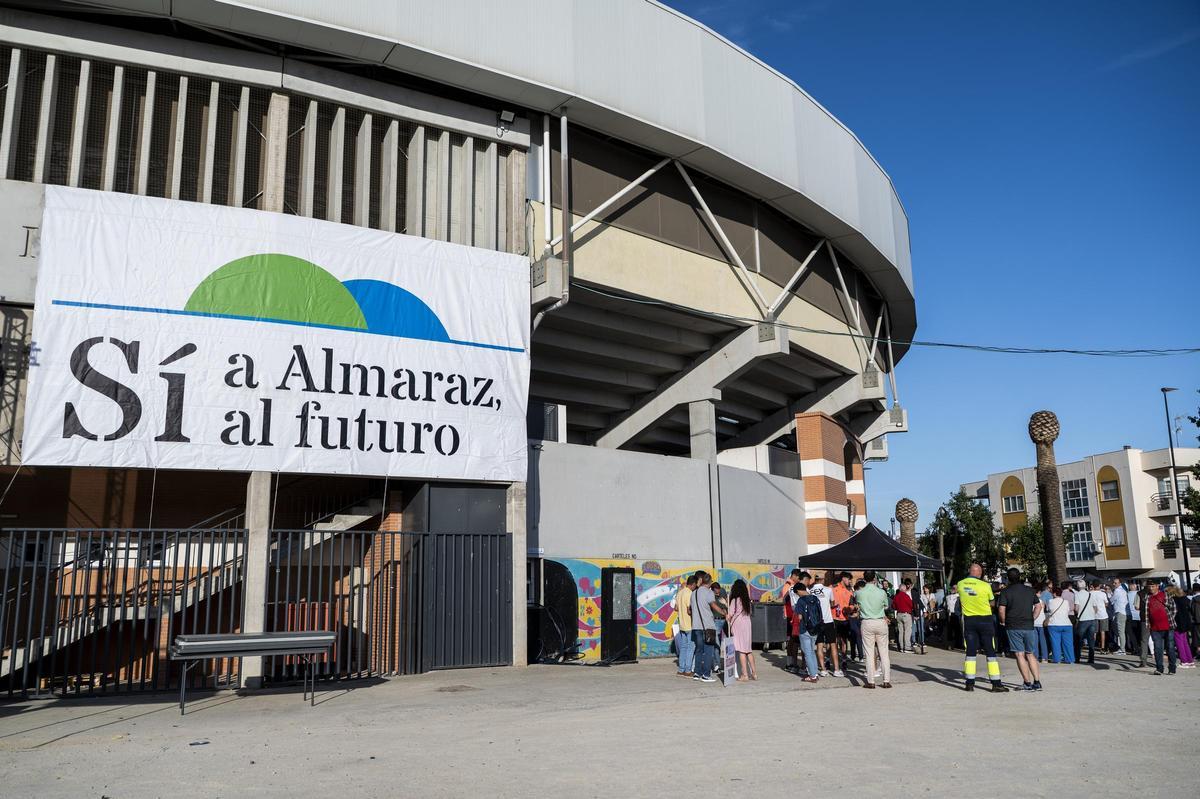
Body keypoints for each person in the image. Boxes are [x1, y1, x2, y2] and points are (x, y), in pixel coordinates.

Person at [957, 563, 1008, 692]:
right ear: (979, 573)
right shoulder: (985, 585)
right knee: (990, 651)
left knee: (970, 652)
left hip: (969, 620)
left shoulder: (961, 584)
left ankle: (969, 683)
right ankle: (996, 683)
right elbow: (992, 602)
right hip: (985, 620)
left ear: (970, 571)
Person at [997, 568, 1043, 691]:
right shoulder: (1030, 590)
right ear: (1020, 577)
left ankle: (1027, 683)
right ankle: (1037, 682)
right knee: (1030, 653)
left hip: (1013, 625)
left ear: (1008, 578)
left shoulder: (1005, 592)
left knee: (1019, 654)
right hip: (1028, 625)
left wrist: (1003, 621)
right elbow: (1038, 606)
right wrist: (1032, 617)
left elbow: (1001, 609)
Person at [854, 570, 892, 689]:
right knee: (884, 653)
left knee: (869, 653)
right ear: (874, 578)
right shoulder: (881, 592)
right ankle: (886, 680)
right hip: (880, 621)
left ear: (864, 579)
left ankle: (871, 681)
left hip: (867, 622)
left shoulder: (859, 593)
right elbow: (886, 606)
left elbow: (857, 606)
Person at [689, 572, 723, 683]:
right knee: (709, 650)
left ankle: (697, 673)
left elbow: (689, 610)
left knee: (699, 650)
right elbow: (713, 605)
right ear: (710, 582)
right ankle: (706, 675)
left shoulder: (693, 593)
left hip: (696, 626)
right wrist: (724, 612)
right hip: (708, 626)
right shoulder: (709, 593)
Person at [808, 572, 843, 677]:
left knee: (819, 646)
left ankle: (823, 669)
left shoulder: (810, 591)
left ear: (815, 579)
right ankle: (836, 669)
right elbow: (832, 603)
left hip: (816, 622)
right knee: (833, 645)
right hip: (828, 620)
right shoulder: (828, 590)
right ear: (823, 580)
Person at [726, 579, 757, 681]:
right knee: (748, 650)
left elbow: (730, 614)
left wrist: (727, 616)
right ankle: (754, 673)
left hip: (738, 624)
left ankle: (744, 675)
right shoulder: (747, 600)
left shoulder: (735, 600)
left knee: (741, 650)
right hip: (747, 623)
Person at [792, 581, 822, 683]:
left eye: (797, 593)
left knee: (807, 653)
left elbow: (799, 617)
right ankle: (815, 672)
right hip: (815, 628)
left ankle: (812, 676)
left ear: (799, 591)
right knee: (812, 651)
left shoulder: (801, 601)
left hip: (805, 629)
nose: (797, 594)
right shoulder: (815, 598)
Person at [1144, 582, 1177, 676]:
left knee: (1170, 647)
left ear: (1157, 586)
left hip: (1168, 626)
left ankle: (1172, 668)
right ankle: (1159, 668)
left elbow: (1174, 608)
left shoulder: (1165, 595)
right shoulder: (1147, 597)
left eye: (1153, 586)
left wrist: (1170, 618)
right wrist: (1148, 624)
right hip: (1155, 628)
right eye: (1149, 586)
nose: (1151, 588)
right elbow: (1147, 612)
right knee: (1158, 648)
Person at [1075, 579, 1106, 665]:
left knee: (1079, 640)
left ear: (1077, 586)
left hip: (1082, 620)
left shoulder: (1077, 595)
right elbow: (1095, 607)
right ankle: (1091, 659)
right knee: (1091, 640)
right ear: (1085, 586)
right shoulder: (1090, 594)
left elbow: (1076, 608)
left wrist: (1079, 613)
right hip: (1092, 619)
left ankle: (1077, 658)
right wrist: (1092, 613)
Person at [780, 569, 804, 672]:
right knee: (792, 641)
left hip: (792, 615)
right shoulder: (789, 586)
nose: (799, 580)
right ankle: (790, 663)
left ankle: (790, 663)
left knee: (793, 641)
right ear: (794, 576)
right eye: (798, 578)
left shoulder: (791, 585)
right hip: (791, 616)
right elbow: (784, 600)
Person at [1044, 585, 1075, 664]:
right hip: (1067, 624)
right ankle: (1070, 659)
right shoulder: (1066, 602)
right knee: (1068, 643)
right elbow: (1068, 610)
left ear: (1054, 594)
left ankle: (1057, 659)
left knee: (1055, 643)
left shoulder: (1050, 601)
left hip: (1054, 624)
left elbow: (1048, 610)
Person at [674, 573, 696, 677]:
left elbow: (676, 608)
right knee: (690, 648)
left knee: (683, 647)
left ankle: (681, 669)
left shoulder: (679, 593)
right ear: (693, 584)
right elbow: (689, 611)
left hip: (681, 624)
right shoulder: (690, 593)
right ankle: (687, 670)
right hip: (689, 625)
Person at [1167, 585, 1195, 669]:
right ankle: (1190, 661)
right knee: (1185, 642)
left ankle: (1184, 661)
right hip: (1186, 623)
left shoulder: (1174, 601)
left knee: (1179, 643)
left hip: (1178, 623)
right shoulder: (1184, 599)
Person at [832, 572, 857, 662]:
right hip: (834, 618)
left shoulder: (850, 591)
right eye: (848, 579)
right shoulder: (833, 587)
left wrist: (849, 609)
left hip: (845, 619)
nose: (850, 581)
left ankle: (843, 660)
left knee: (843, 640)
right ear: (843, 578)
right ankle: (829, 660)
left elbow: (852, 604)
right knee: (833, 641)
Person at [892, 579, 915, 653]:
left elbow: (893, 606)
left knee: (901, 631)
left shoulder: (896, 596)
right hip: (906, 614)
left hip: (898, 614)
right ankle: (907, 647)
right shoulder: (906, 596)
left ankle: (901, 647)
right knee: (907, 631)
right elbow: (911, 605)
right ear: (904, 589)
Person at [945, 584, 961, 650]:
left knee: (958, 630)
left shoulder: (959, 597)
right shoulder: (947, 597)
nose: (952, 589)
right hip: (949, 615)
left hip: (957, 615)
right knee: (949, 631)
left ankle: (958, 644)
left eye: (954, 588)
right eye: (952, 588)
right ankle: (950, 644)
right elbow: (945, 605)